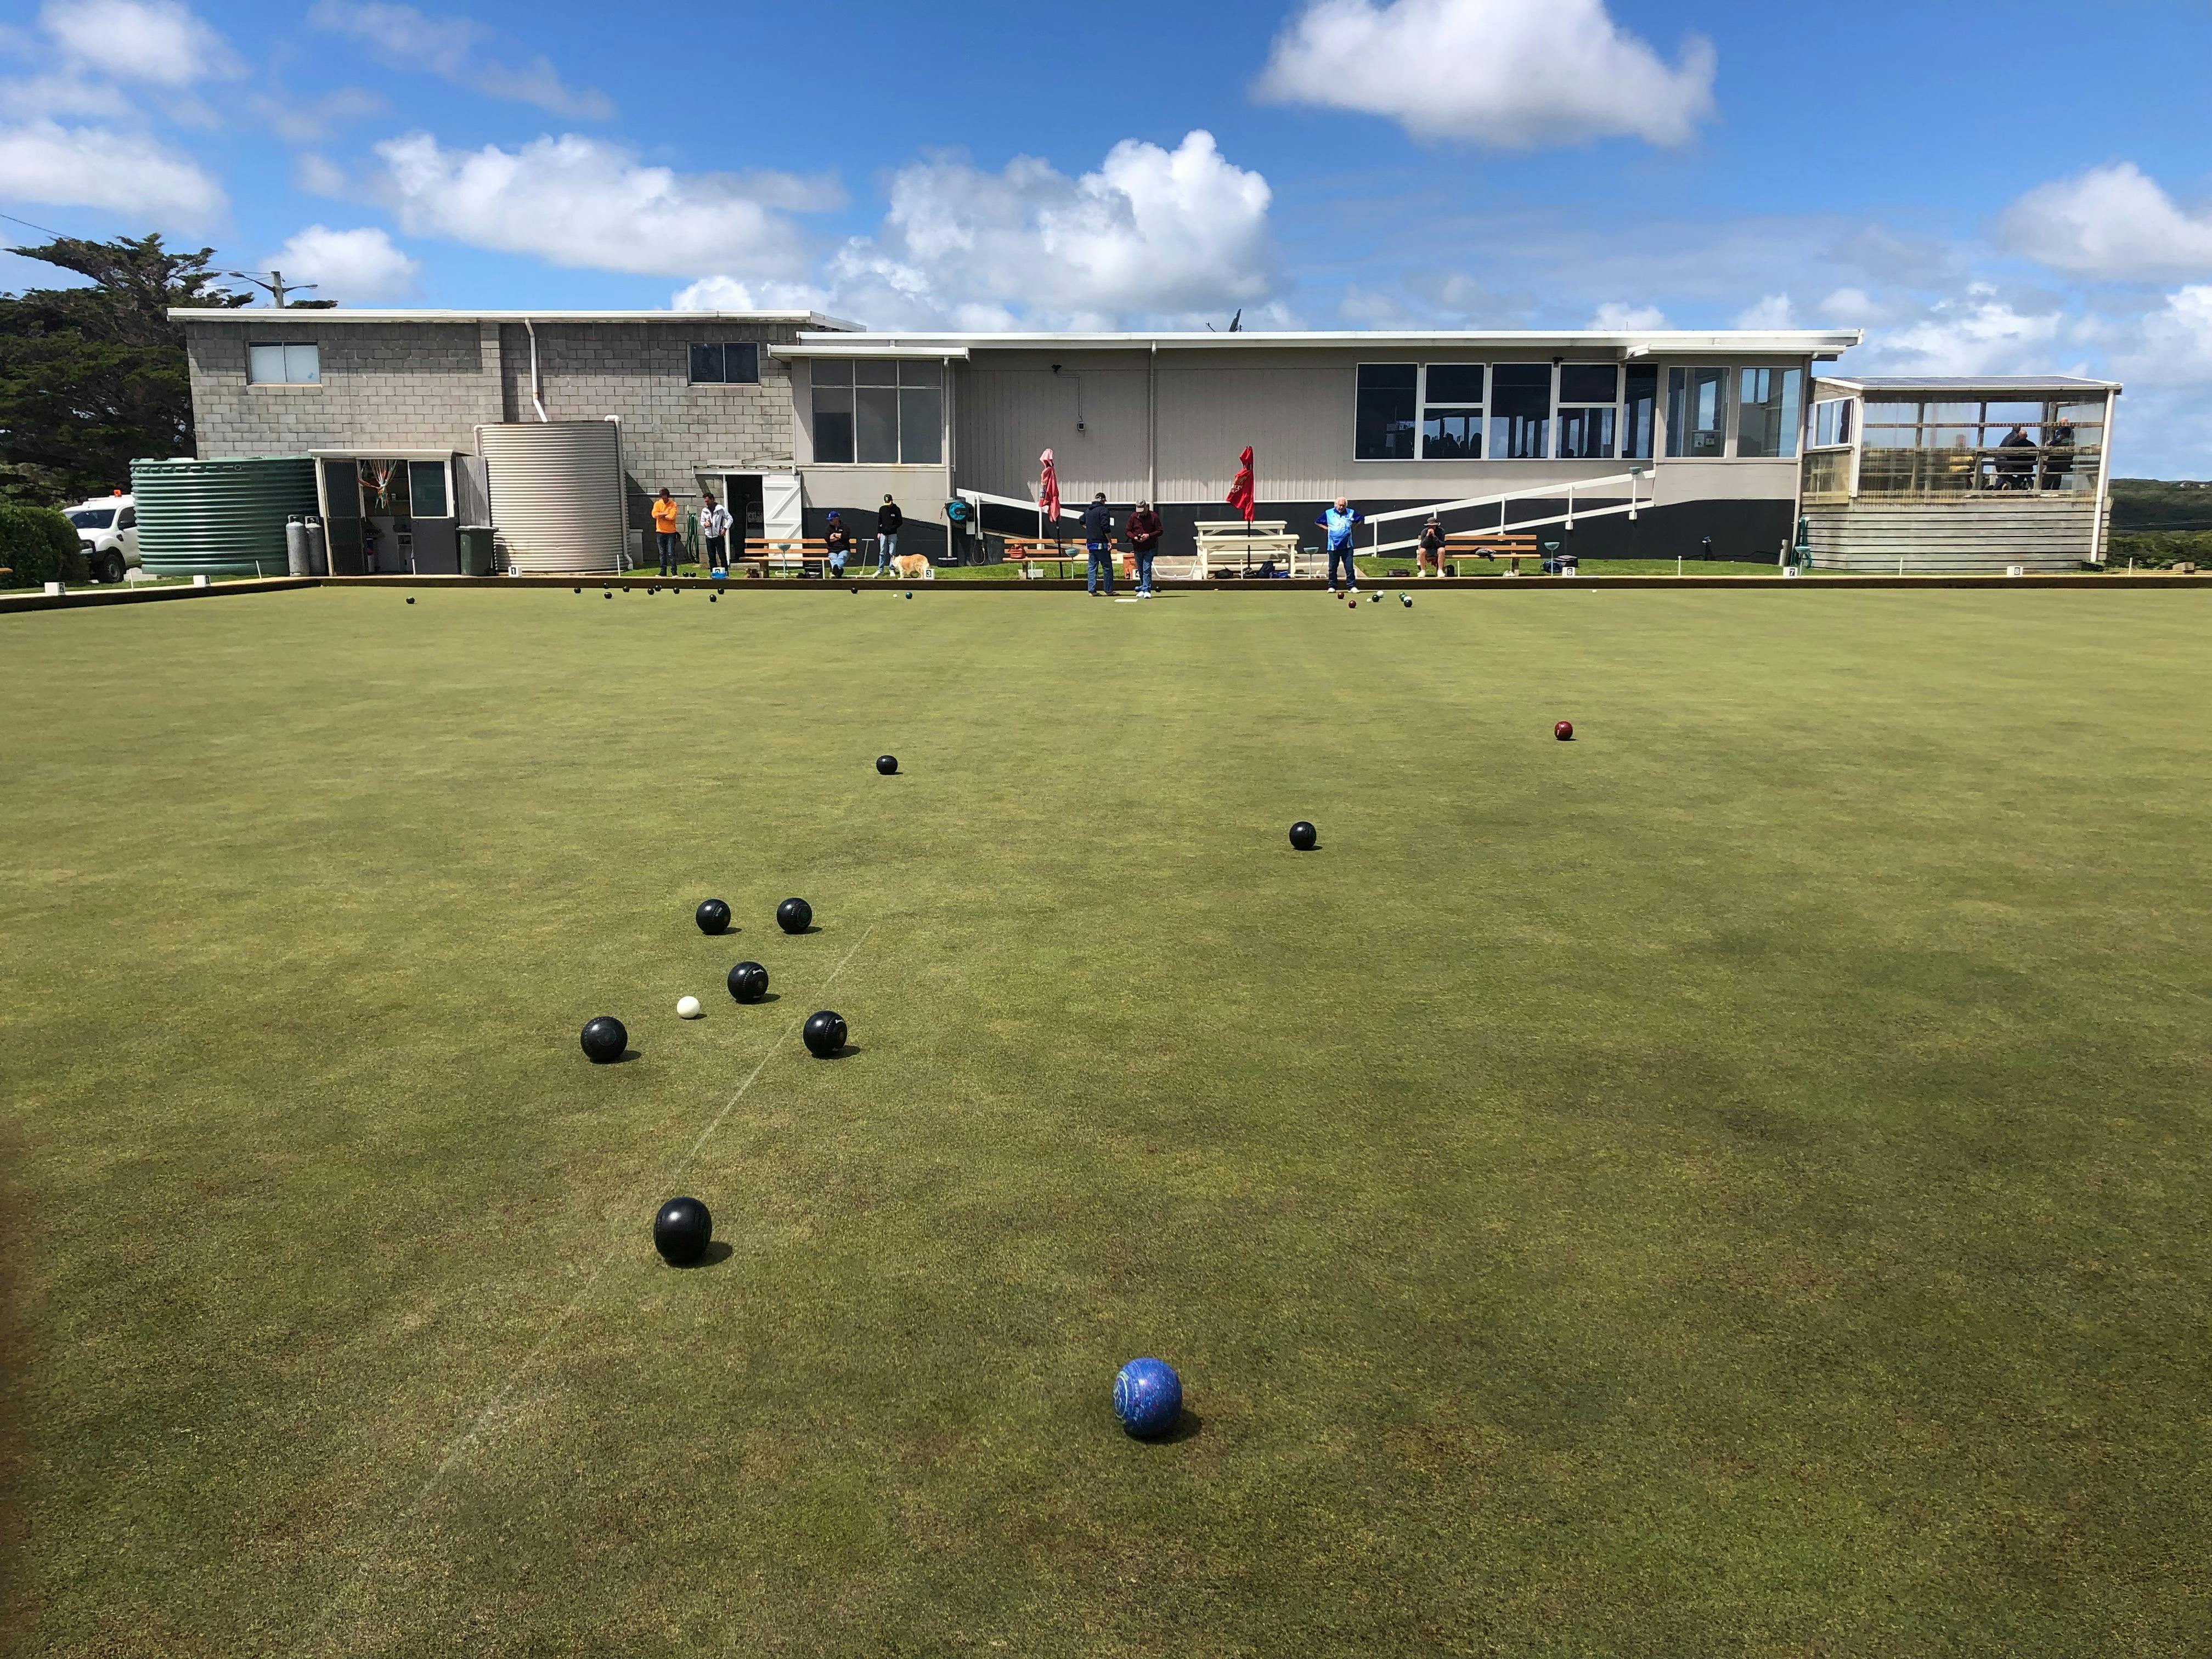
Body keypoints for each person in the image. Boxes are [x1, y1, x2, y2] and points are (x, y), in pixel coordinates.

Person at [1317, 496, 1363, 594]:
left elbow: (1361, 519)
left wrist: (1354, 528)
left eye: (1343, 505)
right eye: (1340, 505)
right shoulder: (1328, 513)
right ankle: (1332, 586)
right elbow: (1318, 522)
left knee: (1349, 568)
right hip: (1333, 546)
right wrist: (1327, 529)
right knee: (1332, 568)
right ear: (1336, 505)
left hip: (1348, 546)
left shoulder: (1351, 512)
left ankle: (1351, 586)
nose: (1341, 507)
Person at [1127, 499, 1163, 597]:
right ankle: (1143, 588)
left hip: (1150, 547)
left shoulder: (1154, 516)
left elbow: (1160, 531)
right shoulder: (1133, 516)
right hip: (1137, 548)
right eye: (1139, 511)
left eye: (1142, 511)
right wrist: (1134, 537)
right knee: (1140, 569)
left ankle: (1147, 590)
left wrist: (1149, 535)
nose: (1140, 513)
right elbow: (1128, 531)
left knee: (1146, 568)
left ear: (1146, 507)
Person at [1084, 492, 1115, 596]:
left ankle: (1092, 590)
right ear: (1103, 500)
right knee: (1107, 567)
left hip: (1091, 543)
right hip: (1101, 543)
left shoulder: (1088, 510)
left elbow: (1081, 521)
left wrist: (1091, 529)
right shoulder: (1104, 510)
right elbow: (1105, 527)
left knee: (1092, 567)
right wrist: (1110, 541)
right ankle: (1108, 590)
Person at [651, 488, 682, 575]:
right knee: (662, 553)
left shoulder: (673, 504)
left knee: (671, 553)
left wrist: (661, 516)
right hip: (660, 532)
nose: (664, 499)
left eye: (665, 497)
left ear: (668, 496)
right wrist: (665, 513)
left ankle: (674, 572)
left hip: (671, 533)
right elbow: (654, 515)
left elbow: (672, 516)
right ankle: (663, 572)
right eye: (662, 497)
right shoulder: (657, 504)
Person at [1997, 424, 2038, 491]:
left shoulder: (2014, 444)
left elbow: (2009, 456)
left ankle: (2016, 482)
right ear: (2027, 436)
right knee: (2026, 473)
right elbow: (2035, 457)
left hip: (2016, 467)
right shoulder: (2032, 445)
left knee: (2002, 474)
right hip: (2028, 467)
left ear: (2019, 435)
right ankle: (2026, 486)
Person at [699, 490, 732, 573]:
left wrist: (725, 529)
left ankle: (726, 573)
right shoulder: (704, 511)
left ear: (712, 499)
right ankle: (713, 574)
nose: (707, 503)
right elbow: (702, 522)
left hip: (719, 536)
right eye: (705, 502)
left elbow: (730, 519)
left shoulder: (720, 509)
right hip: (709, 537)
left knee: (722, 556)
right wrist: (705, 524)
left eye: (708, 501)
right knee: (711, 557)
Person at [873, 494, 903, 575]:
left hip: (893, 534)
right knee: (882, 552)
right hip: (883, 534)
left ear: (892, 501)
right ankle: (880, 569)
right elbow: (879, 521)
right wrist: (879, 532)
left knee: (892, 552)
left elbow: (900, 522)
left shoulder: (896, 509)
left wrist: (893, 528)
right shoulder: (882, 509)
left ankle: (892, 569)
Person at [823, 511, 853, 578]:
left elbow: (845, 537)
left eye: (831, 520)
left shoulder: (845, 527)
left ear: (837, 519)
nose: (830, 521)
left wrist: (834, 535)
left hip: (844, 550)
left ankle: (835, 571)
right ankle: (838, 572)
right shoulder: (828, 528)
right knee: (833, 559)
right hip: (832, 551)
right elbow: (827, 539)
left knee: (841, 558)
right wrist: (839, 536)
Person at [1415, 514, 1446, 578]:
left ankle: (1440, 571)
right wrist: (1427, 536)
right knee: (1422, 550)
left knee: (1442, 550)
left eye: (1433, 526)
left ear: (1436, 525)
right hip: (1428, 550)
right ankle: (1423, 571)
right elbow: (1423, 545)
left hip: (1437, 549)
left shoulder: (1441, 531)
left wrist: (1434, 537)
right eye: (1430, 526)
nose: (1432, 527)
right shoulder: (1424, 532)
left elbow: (1442, 544)